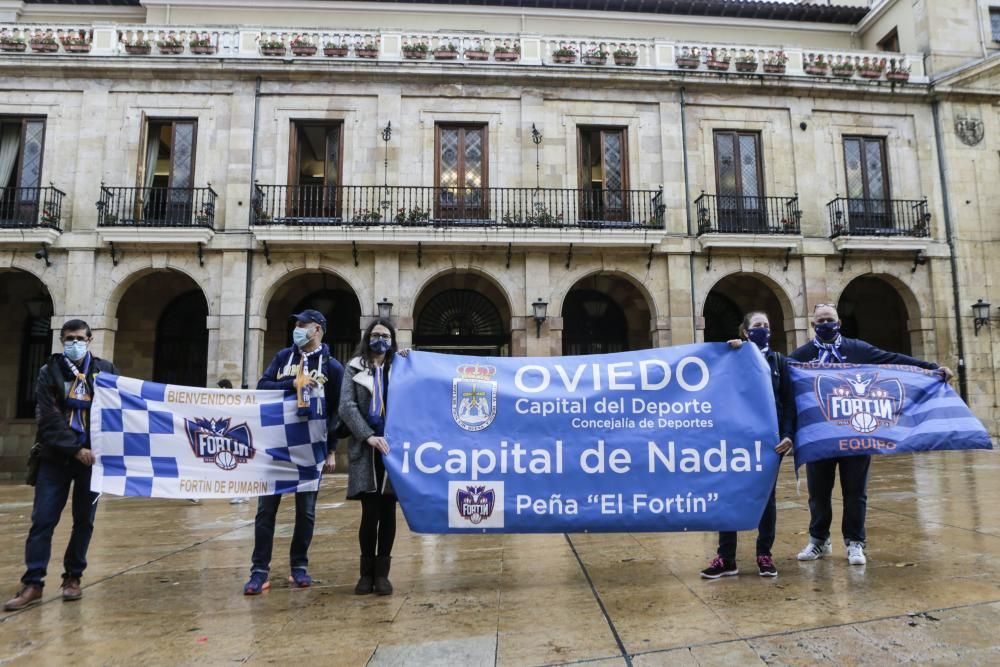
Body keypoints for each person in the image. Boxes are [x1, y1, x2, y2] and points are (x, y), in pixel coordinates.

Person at [790, 303, 953, 566]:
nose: (825, 324)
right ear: (812, 325)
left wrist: (930, 368)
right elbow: (775, 374)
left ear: (839, 322)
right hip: (820, 437)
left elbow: (892, 360)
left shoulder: (857, 349)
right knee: (818, 493)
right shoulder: (803, 354)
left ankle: (855, 543)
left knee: (855, 492)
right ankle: (818, 541)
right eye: (820, 320)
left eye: (829, 319)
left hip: (857, 433)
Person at [5, 320, 118, 611]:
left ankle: (73, 578)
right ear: (61, 341)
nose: (75, 343)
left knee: (84, 521)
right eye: (69, 338)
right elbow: (48, 418)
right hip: (55, 459)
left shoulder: (105, 371)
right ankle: (33, 582)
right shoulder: (48, 372)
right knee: (43, 520)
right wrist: (75, 448)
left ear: (90, 340)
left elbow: (118, 412)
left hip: (92, 461)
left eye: (80, 338)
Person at [243, 310, 343, 595]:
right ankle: (259, 570)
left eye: (303, 325)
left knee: (306, 512)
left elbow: (337, 411)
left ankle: (299, 566)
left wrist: (332, 449)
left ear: (318, 330)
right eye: (296, 325)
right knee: (265, 511)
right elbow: (262, 386)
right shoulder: (282, 358)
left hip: (310, 450)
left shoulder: (332, 367)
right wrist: (292, 384)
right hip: (275, 447)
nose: (297, 329)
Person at [700, 311, 795, 579]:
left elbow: (788, 402)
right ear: (745, 331)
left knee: (767, 499)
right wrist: (726, 353)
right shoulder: (732, 358)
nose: (762, 329)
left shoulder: (779, 362)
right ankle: (726, 557)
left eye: (766, 325)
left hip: (769, 444)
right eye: (757, 326)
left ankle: (764, 554)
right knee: (728, 495)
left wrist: (788, 435)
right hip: (734, 439)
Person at [340, 318, 402, 596]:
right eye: (376, 335)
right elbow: (346, 406)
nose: (381, 340)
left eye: (386, 336)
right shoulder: (353, 368)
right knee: (370, 513)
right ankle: (365, 574)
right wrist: (367, 435)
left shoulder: (400, 368)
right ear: (368, 337)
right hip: (366, 448)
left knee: (388, 512)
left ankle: (383, 574)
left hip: (392, 449)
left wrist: (413, 358)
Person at [216, 379, 250, 506]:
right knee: (238, 465)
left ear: (224, 389)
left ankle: (240, 494)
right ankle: (244, 494)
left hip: (237, 438)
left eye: (219, 388)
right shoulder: (227, 402)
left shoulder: (232, 402)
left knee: (237, 466)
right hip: (234, 437)